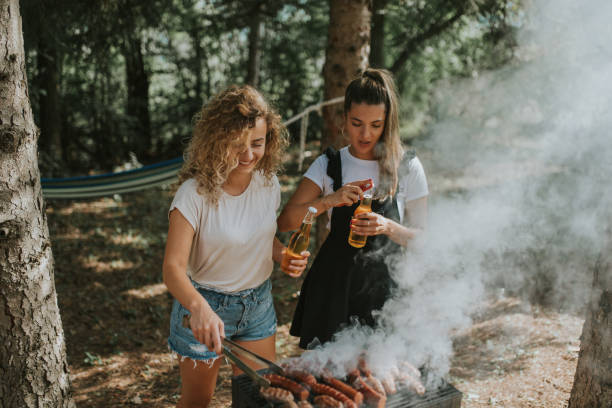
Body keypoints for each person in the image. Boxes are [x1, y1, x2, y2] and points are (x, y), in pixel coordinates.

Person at [163, 85, 310, 407]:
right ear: (218, 141)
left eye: (257, 144)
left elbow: (260, 235)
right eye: (237, 145)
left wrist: (282, 255)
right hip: (204, 306)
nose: (248, 155)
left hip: (257, 305)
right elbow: (173, 268)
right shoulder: (193, 194)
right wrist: (200, 308)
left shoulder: (267, 183)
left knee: (260, 400)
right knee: (197, 403)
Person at [277, 68, 429, 349]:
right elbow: (285, 221)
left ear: (388, 122)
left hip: (388, 291)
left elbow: (424, 240)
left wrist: (388, 227)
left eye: (376, 124)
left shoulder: (406, 167)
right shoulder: (329, 164)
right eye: (357, 123)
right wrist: (328, 201)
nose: (366, 134)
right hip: (334, 290)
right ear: (344, 118)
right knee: (331, 381)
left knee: (384, 378)